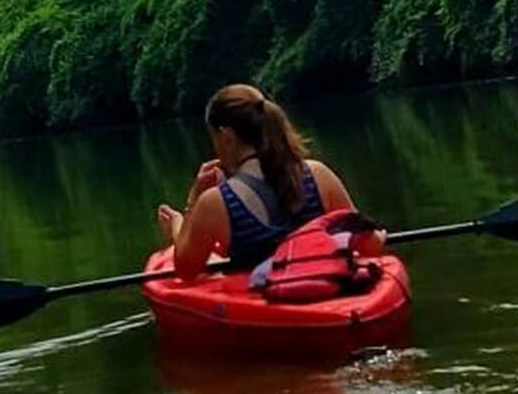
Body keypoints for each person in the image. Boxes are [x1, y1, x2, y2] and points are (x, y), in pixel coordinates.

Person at [155, 83, 380, 280]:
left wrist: (186, 212)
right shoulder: (319, 174)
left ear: (226, 136)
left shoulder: (214, 202)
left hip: (270, 307)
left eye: (213, 138)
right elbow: (370, 244)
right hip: (328, 297)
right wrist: (380, 235)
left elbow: (186, 269)